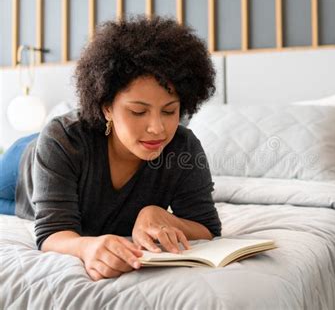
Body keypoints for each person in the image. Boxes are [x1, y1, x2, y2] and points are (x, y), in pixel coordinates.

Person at [0, 16, 221, 281]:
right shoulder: (63, 139)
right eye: (138, 111)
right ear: (107, 107)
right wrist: (86, 246)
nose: (157, 129)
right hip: (22, 165)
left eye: (169, 111)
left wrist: (158, 215)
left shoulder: (183, 147)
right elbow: (52, 232)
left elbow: (207, 227)